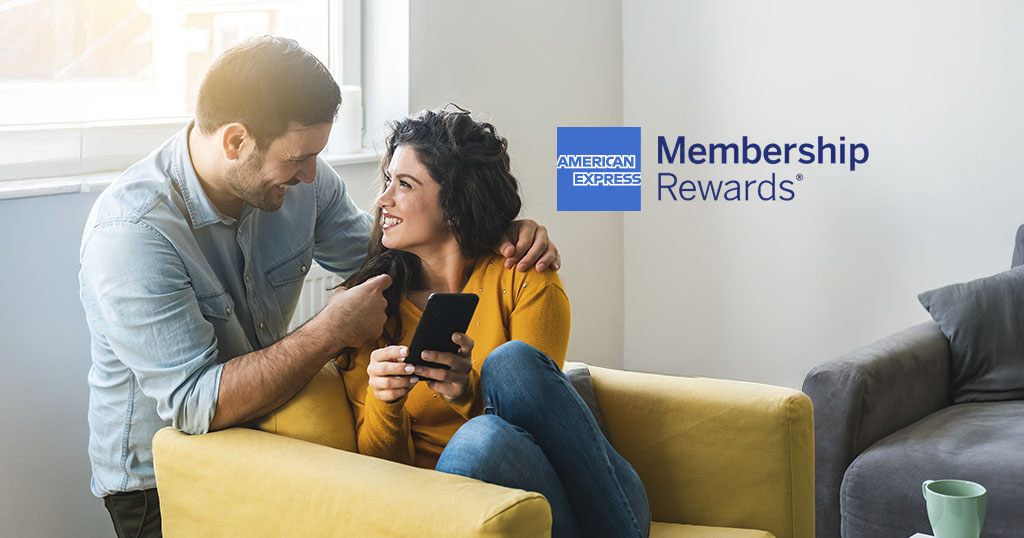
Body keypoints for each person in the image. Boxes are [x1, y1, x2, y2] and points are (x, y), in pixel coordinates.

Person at [79, 37, 559, 538]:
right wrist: (331, 328)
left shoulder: (302, 183)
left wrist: (493, 229)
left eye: (317, 156)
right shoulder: (133, 234)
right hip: (161, 480)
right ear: (235, 142)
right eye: (297, 159)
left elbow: (390, 265)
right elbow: (195, 405)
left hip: (268, 443)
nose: (311, 175)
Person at [337, 108, 650, 538]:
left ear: (454, 205)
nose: (382, 199)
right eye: (388, 180)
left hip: (576, 493)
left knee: (512, 363)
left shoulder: (521, 274)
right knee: (480, 442)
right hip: (453, 500)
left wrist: (466, 394)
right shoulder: (370, 307)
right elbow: (382, 475)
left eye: (404, 184)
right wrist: (385, 403)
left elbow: (543, 420)